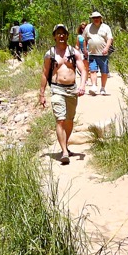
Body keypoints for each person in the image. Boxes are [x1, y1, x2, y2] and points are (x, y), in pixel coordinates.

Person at [39, 24, 87, 165]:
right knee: (60, 119)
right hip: (57, 89)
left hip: (72, 89)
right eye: (58, 33)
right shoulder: (50, 54)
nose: (61, 36)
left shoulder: (74, 52)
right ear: (54, 36)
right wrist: (41, 94)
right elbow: (45, 73)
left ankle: (65, 145)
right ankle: (64, 152)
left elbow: (83, 70)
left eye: (63, 33)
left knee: (69, 120)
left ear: (67, 35)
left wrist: (82, 85)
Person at [84, 12, 114, 95]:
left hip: (103, 54)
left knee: (104, 72)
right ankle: (94, 86)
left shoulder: (106, 27)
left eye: (97, 17)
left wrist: (106, 48)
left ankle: (103, 88)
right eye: (94, 18)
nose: (96, 19)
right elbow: (84, 39)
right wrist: (85, 50)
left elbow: (110, 39)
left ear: (101, 18)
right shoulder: (88, 27)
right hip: (92, 53)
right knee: (93, 70)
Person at [76, 21, 90, 86]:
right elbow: (77, 45)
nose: (83, 29)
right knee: (84, 67)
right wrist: (76, 51)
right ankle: (85, 80)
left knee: (88, 67)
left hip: (90, 51)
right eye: (82, 28)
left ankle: (88, 79)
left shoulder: (90, 35)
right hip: (82, 52)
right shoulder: (79, 36)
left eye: (84, 28)